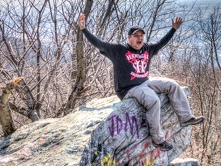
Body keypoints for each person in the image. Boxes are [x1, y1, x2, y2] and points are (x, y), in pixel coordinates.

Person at [78, 14, 204, 151]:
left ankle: (185, 118)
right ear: (129, 38)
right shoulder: (119, 50)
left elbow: (161, 43)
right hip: (129, 88)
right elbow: (99, 43)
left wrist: (173, 29)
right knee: (153, 100)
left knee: (172, 85)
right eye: (136, 36)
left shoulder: (147, 49)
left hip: (145, 82)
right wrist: (84, 30)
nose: (139, 38)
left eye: (141, 36)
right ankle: (158, 139)